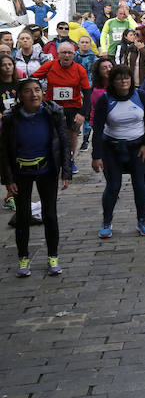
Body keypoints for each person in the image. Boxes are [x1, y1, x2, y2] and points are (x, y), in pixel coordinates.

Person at [1, 79, 71, 277]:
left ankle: (53, 256)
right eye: (28, 91)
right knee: (22, 216)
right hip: (21, 172)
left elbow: (63, 143)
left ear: (43, 93)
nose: (34, 95)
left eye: (37, 90)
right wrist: (8, 179)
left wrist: (66, 172)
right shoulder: (11, 117)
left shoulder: (52, 113)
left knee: (49, 214)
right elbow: (4, 151)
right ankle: (23, 258)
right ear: (20, 96)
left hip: (47, 170)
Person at [91, 64, 145, 238]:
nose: (124, 81)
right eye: (119, 78)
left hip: (137, 148)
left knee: (140, 185)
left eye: (126, 77)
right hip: (112, 148)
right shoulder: (105, 99)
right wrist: (96, 156)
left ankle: (142, 220)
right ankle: (106, 221)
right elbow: (97, 129)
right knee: (113, 186)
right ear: (112, 81)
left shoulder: (141, 95)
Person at [31, 40, 91, 173]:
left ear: (73, 55)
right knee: (50, 134)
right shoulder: (49, 66)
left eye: (69, 53)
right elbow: (32, 79)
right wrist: (39, 93)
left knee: (72, 135)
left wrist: (83, 113)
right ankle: (50, 159)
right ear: (58, 54)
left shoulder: (79, 69)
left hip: (73, 108)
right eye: (64, 52)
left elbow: (87, 92)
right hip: (52, 107)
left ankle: (70, 160)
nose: (67, 56)